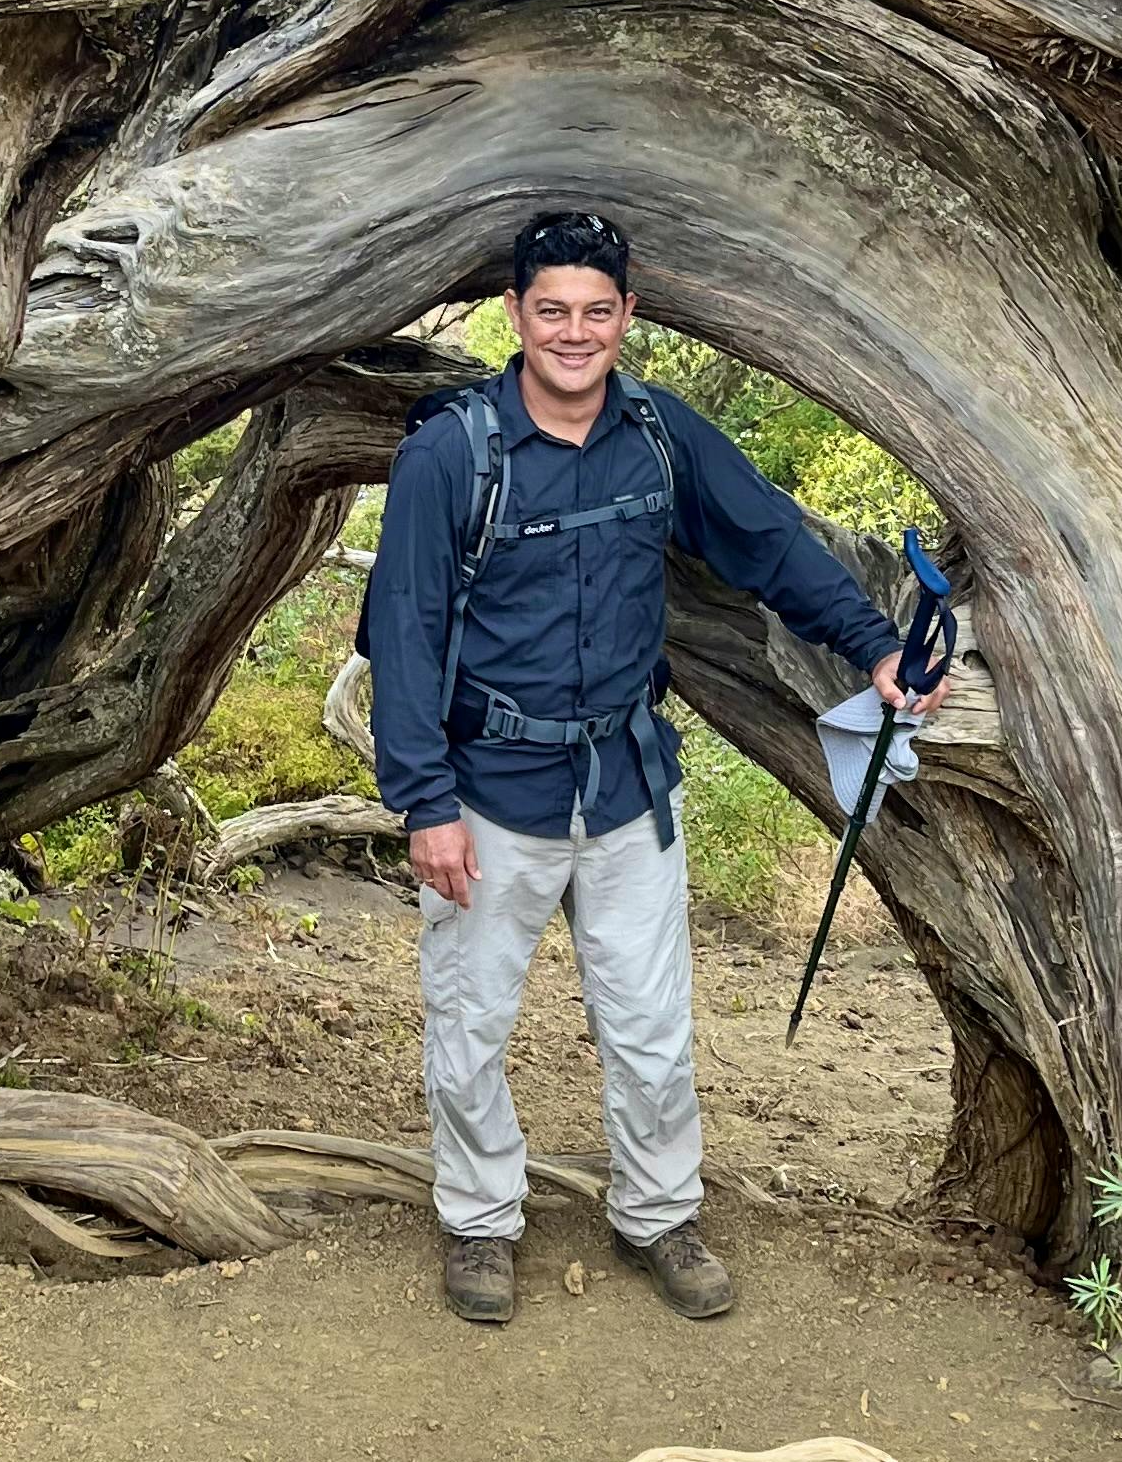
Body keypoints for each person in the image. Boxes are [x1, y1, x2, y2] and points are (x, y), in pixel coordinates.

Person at [362, 210, 950, 1328]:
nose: (574, 333)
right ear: (516, 317)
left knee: (651, 1027)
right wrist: (424, 804)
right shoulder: (454, 453)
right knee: (470, 1023)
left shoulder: (661, 439)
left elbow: (770, 542)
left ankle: (659, 1213)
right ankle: (482, 1222)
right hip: (491, 795)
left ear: (629, 316)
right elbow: (405, 628)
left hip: (631, 790)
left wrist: (875, 645)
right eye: (552, 311)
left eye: (596, 311)